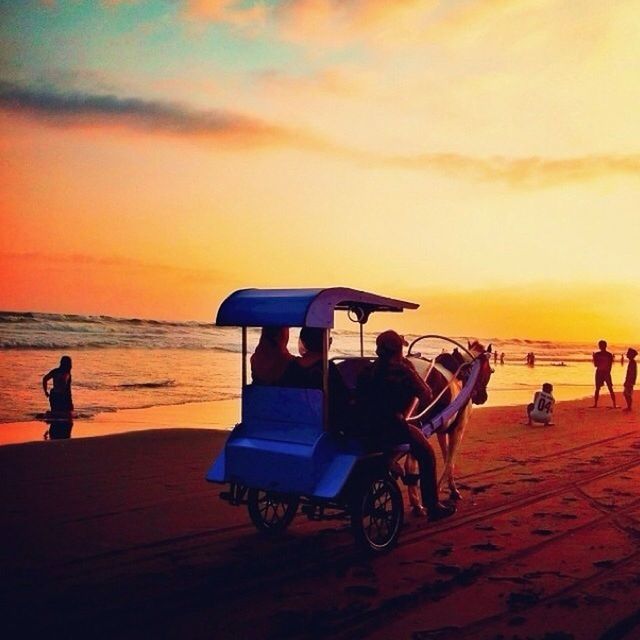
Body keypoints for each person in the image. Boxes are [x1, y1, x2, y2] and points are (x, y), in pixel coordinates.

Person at [356, 330, 455, 522]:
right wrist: (408, 367)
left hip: (364, 425)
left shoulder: (367, 370)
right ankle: (432, 505)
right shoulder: (403, 371)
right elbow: (426, 393)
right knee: (426, 453)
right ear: (398, 350)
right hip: (392, 427)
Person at [283, 327, 351, 426]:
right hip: (322, 423)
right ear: (326, 342)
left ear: (303, 342)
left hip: (295, 419)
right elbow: (342, 398)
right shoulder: (328, 368)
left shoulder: (291, 366)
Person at [592, 340, 617, 408]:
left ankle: (613, 404)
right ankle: (613, 404)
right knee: (600, 388)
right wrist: (594, 358)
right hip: (603, 372)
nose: (601, 347)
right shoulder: (607, 354)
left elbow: (596, 365)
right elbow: (596, 365)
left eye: (601, 345)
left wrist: (594, 358)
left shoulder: (606, 355)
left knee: (607, 388)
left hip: (603, 372)